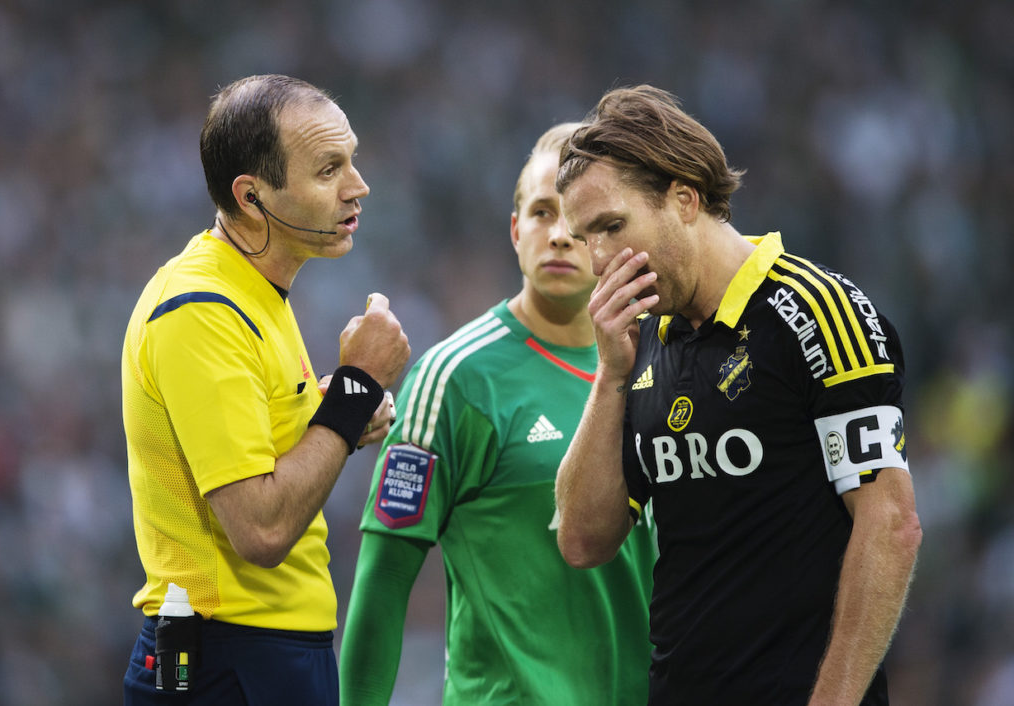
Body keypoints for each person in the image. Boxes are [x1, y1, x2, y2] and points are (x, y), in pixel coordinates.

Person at [553, 85, 922, 705]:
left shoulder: (818, 312)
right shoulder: (642, 337)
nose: (598, 260)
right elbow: (583, 540)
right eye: (586, 237)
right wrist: (611, 375)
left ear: (684, 198)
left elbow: (890, 525)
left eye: (612, 226)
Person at [339, 123, 655, 706]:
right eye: (540, 213)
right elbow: (383, 583)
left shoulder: (669, 366)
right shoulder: (455, 379)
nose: (558, 235)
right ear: (514, 230)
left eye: (579, 222)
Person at [121, 74, 410, 705]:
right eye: (329, 169)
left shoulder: (252, 292)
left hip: (260, 647)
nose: (357, 187)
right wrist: (357, 390)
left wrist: (335, 410)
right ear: (252, 198)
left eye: (352, 161)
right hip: (221, 654)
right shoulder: (201, 307)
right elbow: (261, 531)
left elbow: (266, 444)